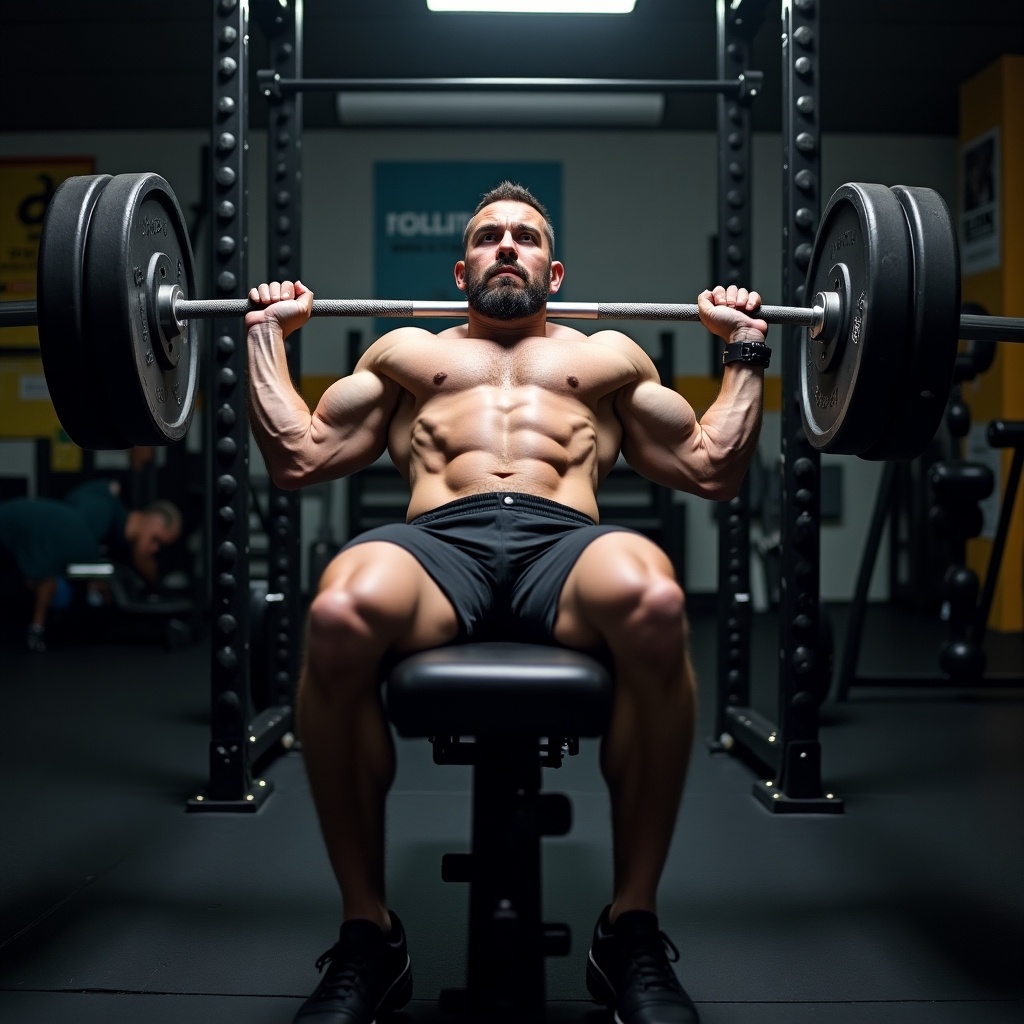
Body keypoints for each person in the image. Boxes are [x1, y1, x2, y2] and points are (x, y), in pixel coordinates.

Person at [246, 181, 769, 1024]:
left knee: (656, 600)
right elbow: (299, 457)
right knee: (338, 615)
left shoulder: (608, 359)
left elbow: (714, 469)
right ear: (461, 269)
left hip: (562, 543)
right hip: (437, 542)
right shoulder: (405, 354)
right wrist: (265, 336)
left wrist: (745, 348)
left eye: (525, 236)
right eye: (489, 236)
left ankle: (629, 928)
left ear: (553, 271)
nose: (507, 246)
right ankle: (368, 933)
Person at [0, 478, 182, 651]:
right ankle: (36, 630)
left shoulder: (109, 514)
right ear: (153, 520)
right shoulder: (100, 511)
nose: (155, 549)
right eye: (155, 540)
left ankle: (37, 628)